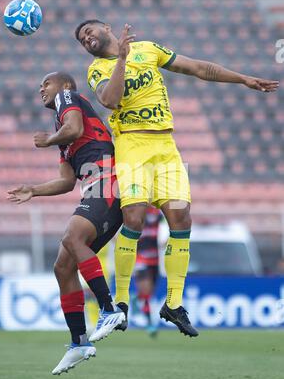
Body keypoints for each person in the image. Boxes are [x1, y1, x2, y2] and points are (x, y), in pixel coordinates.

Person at [75, 19, 279, 337]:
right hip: (132, 145)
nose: (87, 38)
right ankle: (123, 303)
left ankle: (173, 304)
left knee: (181, 219)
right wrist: (123, 59)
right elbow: (110, 100)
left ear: (106, 28)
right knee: (135, 217)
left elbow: (198, 68)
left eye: (89, 31)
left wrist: (243, 79)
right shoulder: (97, 69)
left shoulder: (150, 49)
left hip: (166, 146)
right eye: (82, 39)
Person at [7, 72, 125, 375]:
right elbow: (66, 181)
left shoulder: (67, 99)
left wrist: (48, 141)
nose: (40, 87)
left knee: (73, 237)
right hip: (93, 189)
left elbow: (74, 128)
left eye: (46, 83)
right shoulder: (60, 129)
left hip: (106, 184)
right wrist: (33, 189)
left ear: (65, 86)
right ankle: (79, 341)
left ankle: (110, 310)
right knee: (62, 266)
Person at [132, 206, 163, 337]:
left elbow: (170, 225)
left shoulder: (158, 213)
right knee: (146, 292)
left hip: (155, 259)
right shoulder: (134, 211)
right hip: (140, 259)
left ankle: (136, 299)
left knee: (150, 292)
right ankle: (150, 323)